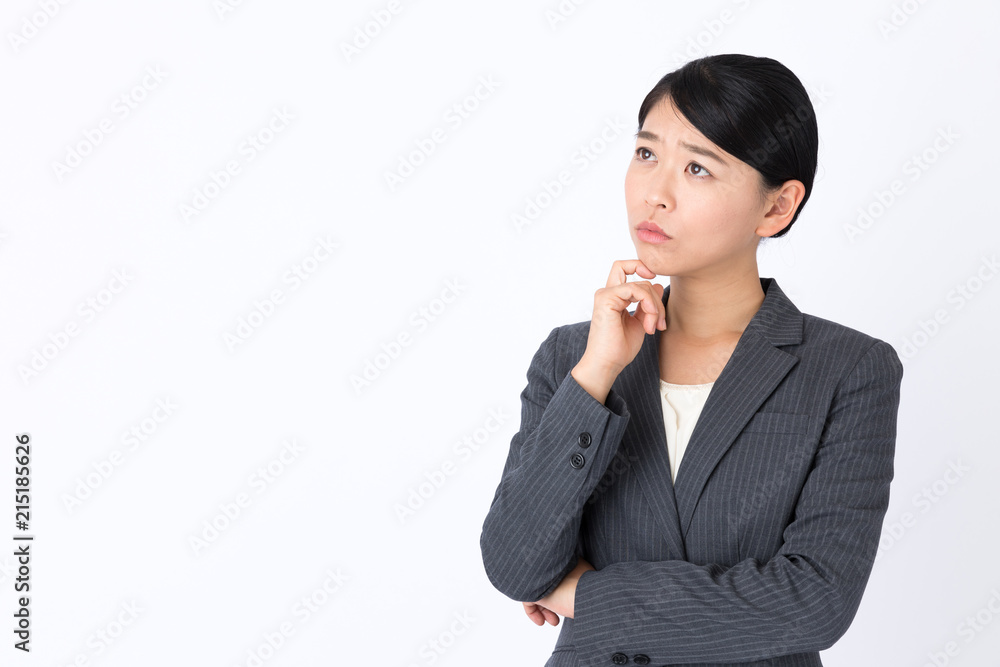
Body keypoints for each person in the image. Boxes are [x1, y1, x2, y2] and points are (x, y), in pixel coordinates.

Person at [479, 54, 904, 666]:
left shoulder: (847, 371)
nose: (656, 194)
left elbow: (815, 602)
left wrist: (585, 595)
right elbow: (516, 564)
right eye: (646, 154)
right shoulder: (573, 357)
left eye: (699, 168)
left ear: (777, 207)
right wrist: (596, 377)